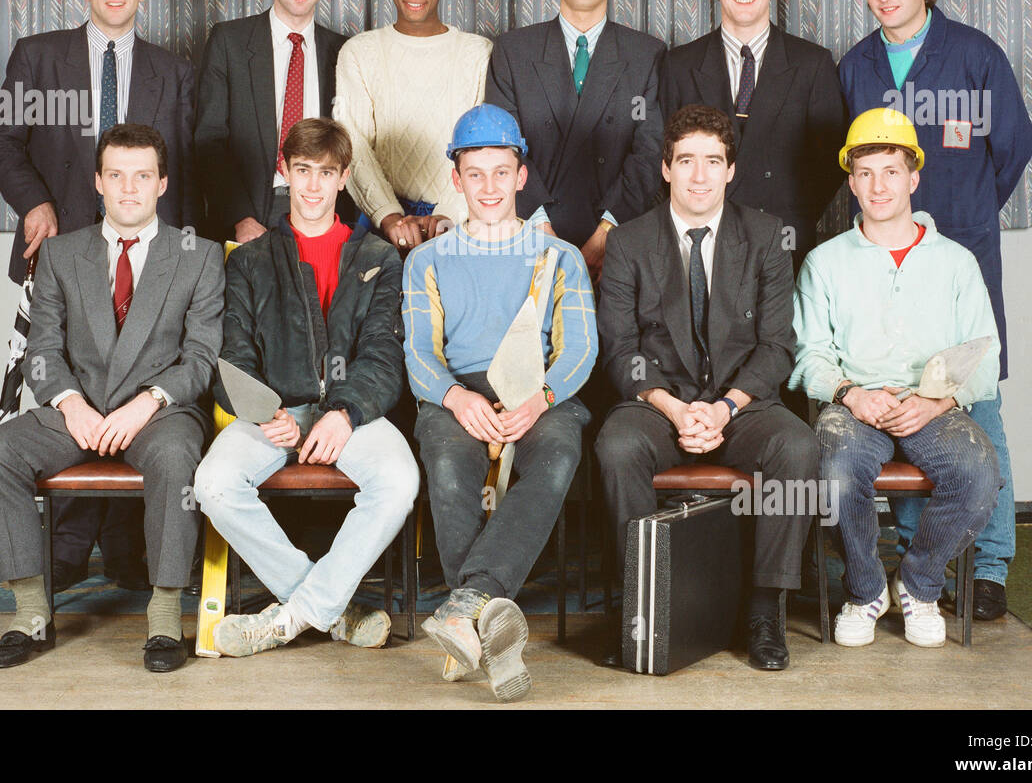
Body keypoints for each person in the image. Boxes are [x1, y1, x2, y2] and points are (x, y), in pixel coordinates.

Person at [0, 0, 198, 592]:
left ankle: (128, 546)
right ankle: (70, 544)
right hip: (62, 258)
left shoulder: (173, 70)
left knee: (134, 392)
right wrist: (36, 204)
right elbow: (0, 141)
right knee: (69, 396)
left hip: (143, 261)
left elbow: (183, 171)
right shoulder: (37, 57)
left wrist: (179, 263)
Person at [0, 124, 224, 672]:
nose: (128, 189)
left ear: (162, 184)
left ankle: (162, 616)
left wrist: (149, 401)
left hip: (159, 412)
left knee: (177, 456)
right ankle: (31, 613)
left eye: (141, 177)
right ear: (97, 182)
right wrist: (69, 403)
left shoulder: (198, 255)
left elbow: (201, 360)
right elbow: (40, 351)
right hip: (76, 410)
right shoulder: (62, 254)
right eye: (116, 176)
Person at [838, 0, 1032, 619]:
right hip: (888, 260)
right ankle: (925, 558)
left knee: (974, 399)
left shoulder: (976, 55)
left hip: (960, 252)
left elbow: (1012, 149)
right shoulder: (857, 65)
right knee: (903, 398)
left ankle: (990, 564)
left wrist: (965, 211)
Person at [595, 105, 820, 671]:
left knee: (798, 446)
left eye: (713, 162)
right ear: (666, 168)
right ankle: (635, 605)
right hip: (658, 403)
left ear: (731, 170)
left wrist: (723, 408)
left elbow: (776, 347)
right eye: (687, 161)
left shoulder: (766, 237)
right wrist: (673, 408)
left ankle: (766, 611)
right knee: (615, 445)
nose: (700, 176)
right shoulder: (628, 243)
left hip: (739, 404)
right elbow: (621, 351)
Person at [193, 119, 419, 655]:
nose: (313, 186)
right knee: (213, 483)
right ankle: (332, 611)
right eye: (302, 171)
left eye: (325, 173)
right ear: (284, 173)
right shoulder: (249, 260)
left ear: (344, 179)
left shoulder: (379, 258)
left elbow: (385, 357)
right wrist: (266, 412)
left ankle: (287, 619)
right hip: (274, 414)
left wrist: (344, 412)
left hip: (350, 413)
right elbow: (232, 354)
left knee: (399, 481)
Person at [403, 104, 597, 701]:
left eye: (501, 171)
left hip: (538, 393)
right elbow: (418, 355)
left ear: (521, 176)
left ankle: (466, 606)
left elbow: (581, 350)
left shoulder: (558, 257)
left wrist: (541, 400)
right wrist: (455, 397)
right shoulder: (426, 260)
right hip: (458, 395)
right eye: (474, 173)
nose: (488, 186)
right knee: (445, 461)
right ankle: (491, 626)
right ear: (455, 180)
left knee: (560, 452)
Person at [790, 108, 1000, 648]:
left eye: (890, 171)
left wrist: (936, 402)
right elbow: (810, 354)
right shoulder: (824, 262)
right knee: (835, 471)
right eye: (864, 173)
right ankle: (865, 591)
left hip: (932, 405)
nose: (877, 185)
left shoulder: (956, 263)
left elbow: (985, 357)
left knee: (978, 472)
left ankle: (918, 583)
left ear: (914, 178)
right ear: (852, 182)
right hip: (857, 405)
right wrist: (849, 394)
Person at [483, 0, 665, 279]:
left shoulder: (647, 53)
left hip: (621, 239)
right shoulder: (513, 50)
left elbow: (650, 153)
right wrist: (541, 229)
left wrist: (606, 234)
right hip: (530, 234)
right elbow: (501, 148)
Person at [660, 0, 846, 268]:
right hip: (700, 241)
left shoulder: (812, 63)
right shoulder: (679, 64)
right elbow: (664, 155)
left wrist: (790, 210)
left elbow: (831, 162)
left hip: (785, 240)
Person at [333, 0, 492, 251]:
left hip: (460, 220)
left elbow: (483, 146)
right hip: (380, 226)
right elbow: (353, 143)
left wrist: (449, 213)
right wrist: (389, 215)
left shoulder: (478, 53)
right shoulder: (359, 52)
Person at [195, 0, 350, 243]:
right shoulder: (230, 42)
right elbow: (209, 140)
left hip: (324, 214)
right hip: (250, 211)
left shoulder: (344, 51)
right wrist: (241, 218)